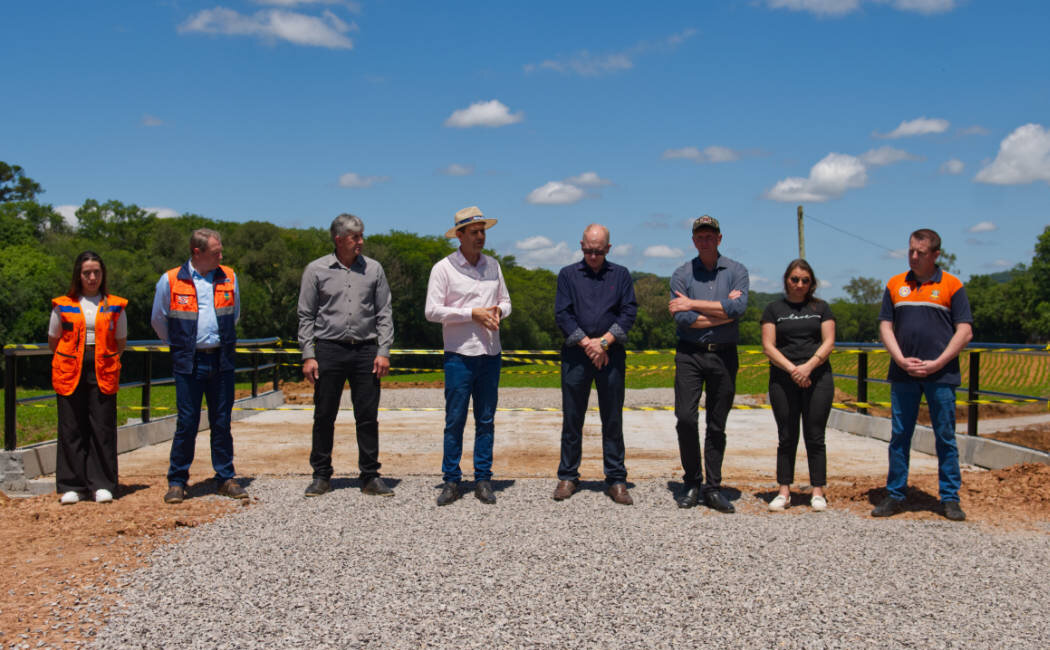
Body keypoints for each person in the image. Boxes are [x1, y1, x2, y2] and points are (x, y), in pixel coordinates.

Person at [872, 228, 973, 521]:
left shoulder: (953, 286)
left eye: (921, 252)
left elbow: (965, 330)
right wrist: (901, 359)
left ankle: (950, 498)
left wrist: (938, 362)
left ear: (936, 255)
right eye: (911, 250)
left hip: (941, 375)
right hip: (904, 374)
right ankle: (895, 494)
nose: (914, 257)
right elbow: (885, 326)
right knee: (900, 435)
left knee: (945, 436)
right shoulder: (895, 284)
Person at [297, 214, 395, 498]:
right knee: (324, 414)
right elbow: (305, 315)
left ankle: (370, 476)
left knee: (367, 415)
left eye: (362, 235)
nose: (361, 242)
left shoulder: (374, 270)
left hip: (366, 349)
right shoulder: (316, 270)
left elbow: (384, 313)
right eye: (355, 237)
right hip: (329, 348)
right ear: (339, 240)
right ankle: (321, 475)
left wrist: (383, 351)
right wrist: (308, 354)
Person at [151, 228, 248, 504]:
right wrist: (180, 343)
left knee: (222, 421)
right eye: (216, 251)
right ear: (197, 252)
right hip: (189, 361)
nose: (221, 255)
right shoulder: (170, 279)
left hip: (222, 359)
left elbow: (235, 312)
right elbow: (159, 319)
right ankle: (177, 481)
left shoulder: (229, 275)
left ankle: (225, 477)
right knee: (187, 422)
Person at [425, 206, 511, 506]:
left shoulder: (493, 266)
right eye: (474, 232)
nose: (480, 237)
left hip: (490, 354)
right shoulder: (443, 269)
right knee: (455, 420)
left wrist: (498, 310)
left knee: (486, 419)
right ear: (459, 235)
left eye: (483, 231)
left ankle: (483, 478)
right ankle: (451, 480)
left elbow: (506, 301)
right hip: (459, 356)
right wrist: (470, 314)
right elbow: (432, 311)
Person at [552, 224, 638, 505]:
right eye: (588, 250)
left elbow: (628, 311)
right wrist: (587, 343)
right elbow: (563, 314)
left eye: (598, 252)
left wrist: (603, 343)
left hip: (611, 355)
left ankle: (615, 478)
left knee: (612, 418)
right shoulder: (567, 275)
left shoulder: (621, 275)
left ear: (608, 249)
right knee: (572, 418)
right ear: (581, 245)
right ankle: (567, 475)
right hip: (577, 355)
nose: (592, 256)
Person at [668, 215, 748, 513]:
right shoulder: (681, 274)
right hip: (690, 353)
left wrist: (692, 303)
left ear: (719, 238)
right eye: (700, 236)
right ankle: (692, 481)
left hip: (725, 355)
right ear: (693, 240)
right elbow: (682, 318)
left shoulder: (737, 271)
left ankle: (713, 488)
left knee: (717, 423)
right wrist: (721, 313)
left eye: (710, 236)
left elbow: (739, 308)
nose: (705, 240)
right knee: (686, 419)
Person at [49, 251, 128, 505]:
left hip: (103, 369)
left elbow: (120, 340)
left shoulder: (116, 304)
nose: (92, 277)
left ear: (102, 274)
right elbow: (53, 338)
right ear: (78, 275)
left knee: (102, 426)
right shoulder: (63, 304)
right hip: (70, 370)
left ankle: (102, 484)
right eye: (86, 273)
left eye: (96, 272)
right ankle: (73, 485)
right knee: (71, 427)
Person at [760, 259, 835, 512]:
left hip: (818, 377)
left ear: (811, 282)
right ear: (786, 280)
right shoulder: (773, 309)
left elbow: (829, 341)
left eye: (805, 280)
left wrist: (808, 367)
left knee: (815, 436)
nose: (800, 284)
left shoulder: (822, 308)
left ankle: (817, 490)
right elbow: (769, 346)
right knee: (787, 436)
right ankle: (784, 490)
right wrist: (793, 369)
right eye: (795, 279)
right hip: (783, 379)